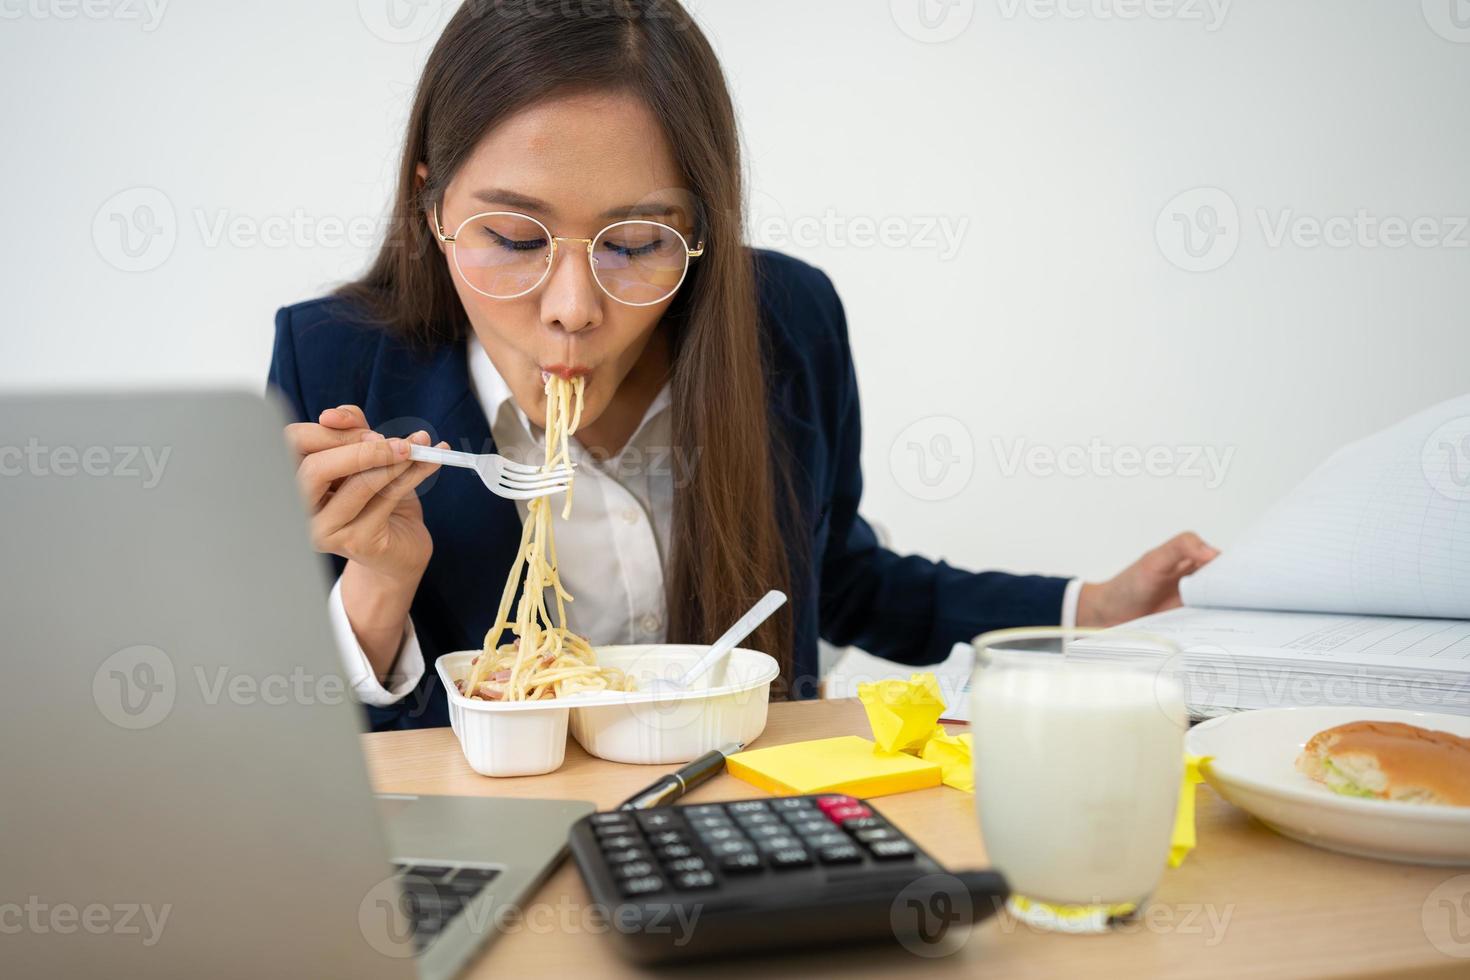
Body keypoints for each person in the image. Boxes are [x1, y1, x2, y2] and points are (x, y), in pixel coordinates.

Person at [269, 0, 1218, 730]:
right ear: (431, 205)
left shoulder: (786, 321)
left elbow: (838, 575)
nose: (571, 309)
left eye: (635, 243)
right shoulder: (333, 361)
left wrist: (1089, 608)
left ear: (701, 230)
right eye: (513, 237)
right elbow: (301, 756)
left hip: (742, 833)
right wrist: (377, 591)